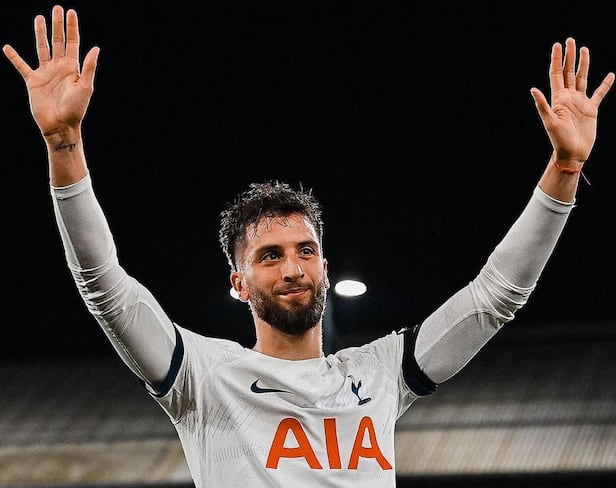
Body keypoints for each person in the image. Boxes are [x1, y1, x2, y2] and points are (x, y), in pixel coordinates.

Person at [3, 5, 614, 488]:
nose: (293, 267)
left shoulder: (381, 373)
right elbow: (103, 285)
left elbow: (495, 298)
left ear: (324, 263)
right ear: (239, 284)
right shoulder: (203, 377)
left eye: (304, 250)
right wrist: (64, 144)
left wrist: (564, 167)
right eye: (269, 256)